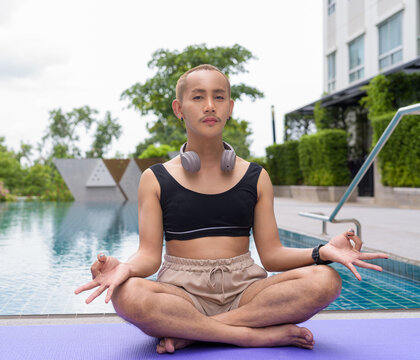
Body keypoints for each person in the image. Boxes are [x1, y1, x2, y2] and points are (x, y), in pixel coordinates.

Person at [74, 64, 388, 354]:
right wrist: (126, 269)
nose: (209, 105)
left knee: (326, 281)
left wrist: (323, 252)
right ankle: (250, 334)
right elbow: (148, 257)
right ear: (179, 109)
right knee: (127, 295)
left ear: (230, 108)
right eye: (198, 97)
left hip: (245, 290)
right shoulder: (154, 179)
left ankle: (197, 333)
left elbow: (272, 255)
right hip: (182, 293)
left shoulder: (256, 176)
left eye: (219, 97)